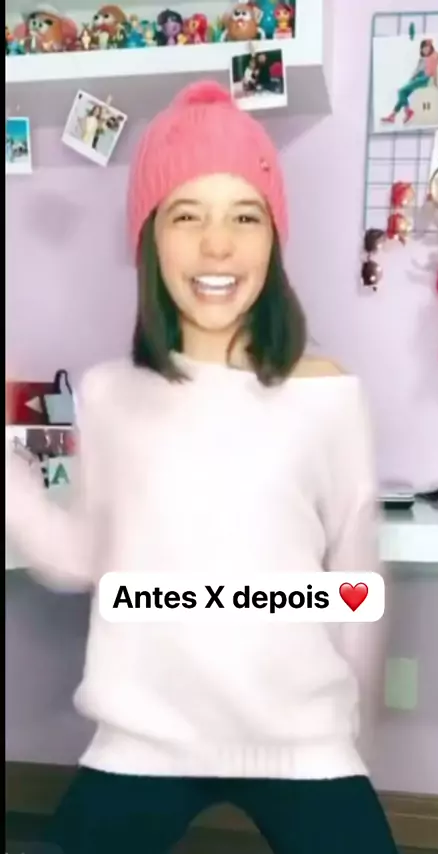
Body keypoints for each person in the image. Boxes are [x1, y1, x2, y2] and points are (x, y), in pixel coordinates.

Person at [5, 80, 398, 854]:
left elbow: (358, 584)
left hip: (302, 742)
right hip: (143, 742)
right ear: (150, 238)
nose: (218, 245)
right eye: (187, 215)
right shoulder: (109, 395)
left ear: (273, 238)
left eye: (245, 216)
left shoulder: (329, 395)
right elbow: (78, 558)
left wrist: (356, 738)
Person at [382, 38, 438, 125]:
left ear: (431, 48)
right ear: (421, 49)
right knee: (403, 93)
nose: (425, 49)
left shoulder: (432, 58)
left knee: (401, 91)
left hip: (424, 79)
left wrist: (435, 83)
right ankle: (392, 116)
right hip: (417, 79)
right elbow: (416, 71)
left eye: (427, 47)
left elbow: (435, 70)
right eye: (423, 48)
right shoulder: (422, 59)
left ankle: (407, 111)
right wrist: (411, 80)